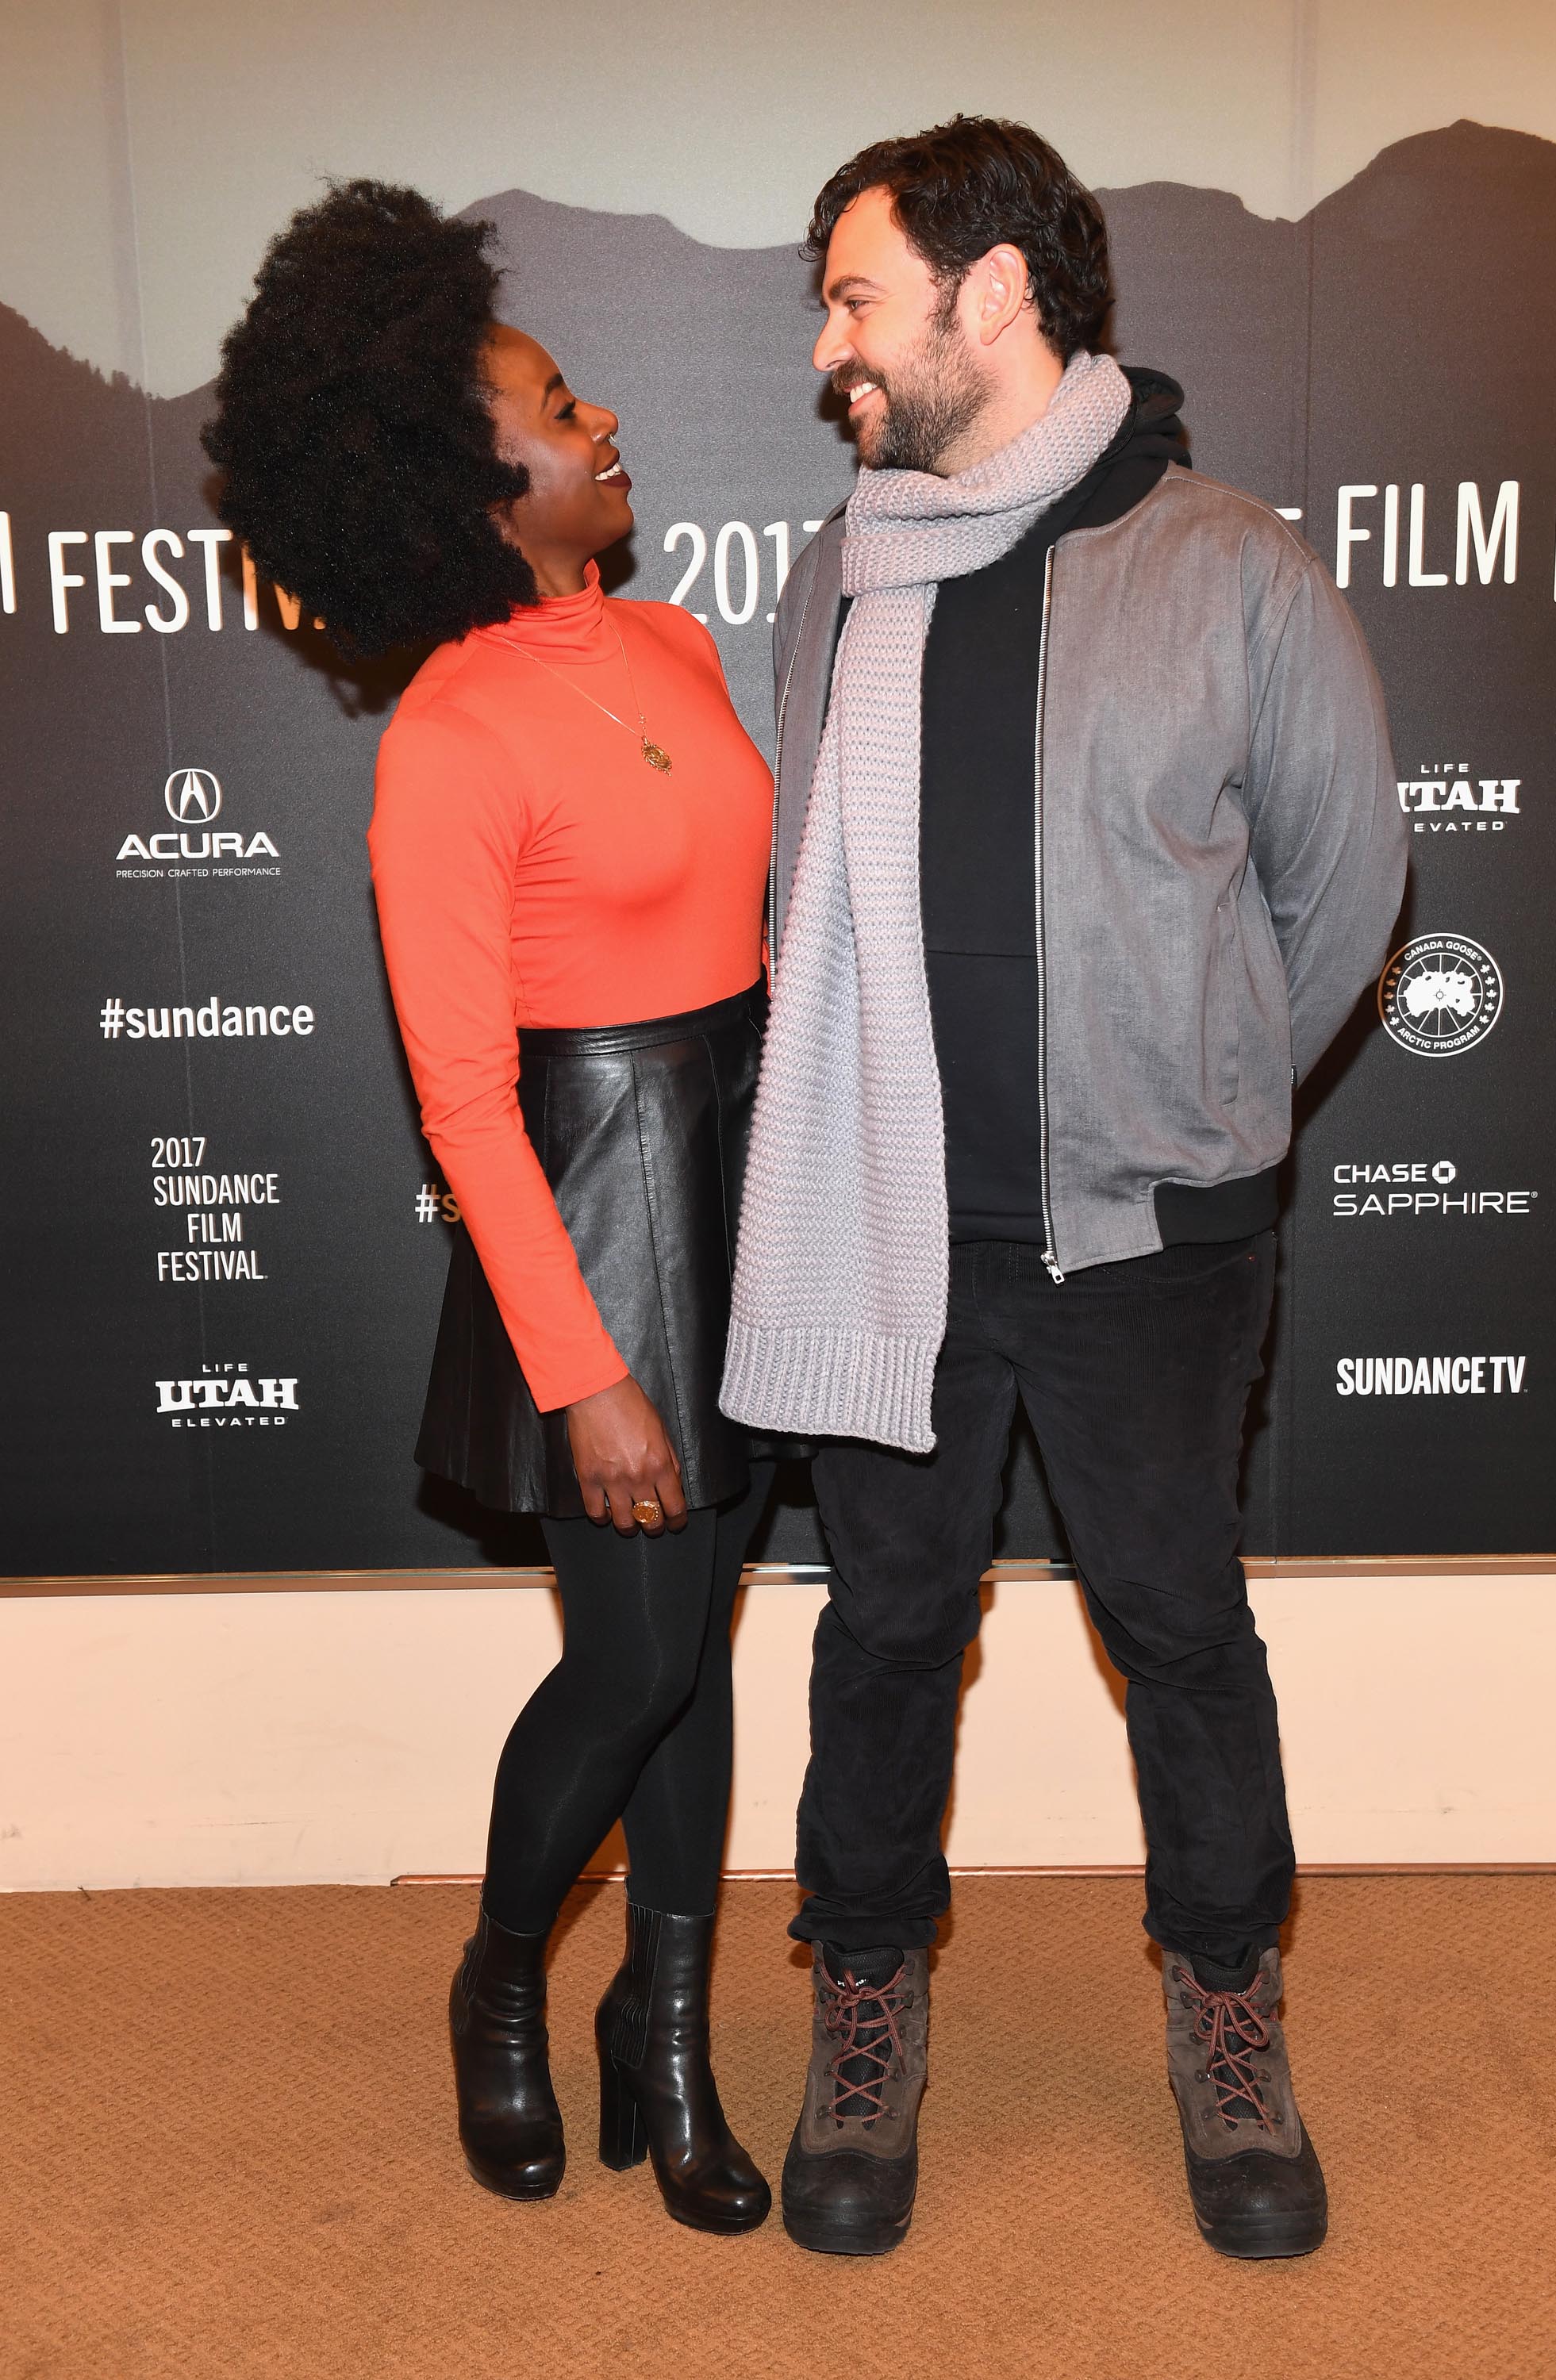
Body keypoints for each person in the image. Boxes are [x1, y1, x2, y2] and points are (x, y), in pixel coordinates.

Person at [723, 118, 1406, 2259]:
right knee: (887, 1632)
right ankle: (865, 1999)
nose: (829, 343)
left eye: (856, 292)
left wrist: (1199, 1106)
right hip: (889, 1230)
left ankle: (1227, 2008)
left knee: (1181, 1632)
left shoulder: (1232, 566)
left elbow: (1349, 885)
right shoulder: (836, 573)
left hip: (1148, 1246)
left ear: (985, 295)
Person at [204, 180, 774, 2235]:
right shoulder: (443, 738)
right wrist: (584, 1366)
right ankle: (505, 1981)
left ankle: (677, 2042)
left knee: (703, 1648)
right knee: (630, 1670)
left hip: (733, 1172)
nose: (605, 418)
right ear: (469, 482)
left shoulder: (683, 642)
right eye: (555, 403)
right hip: (596, 1208)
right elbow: (461, 1090)